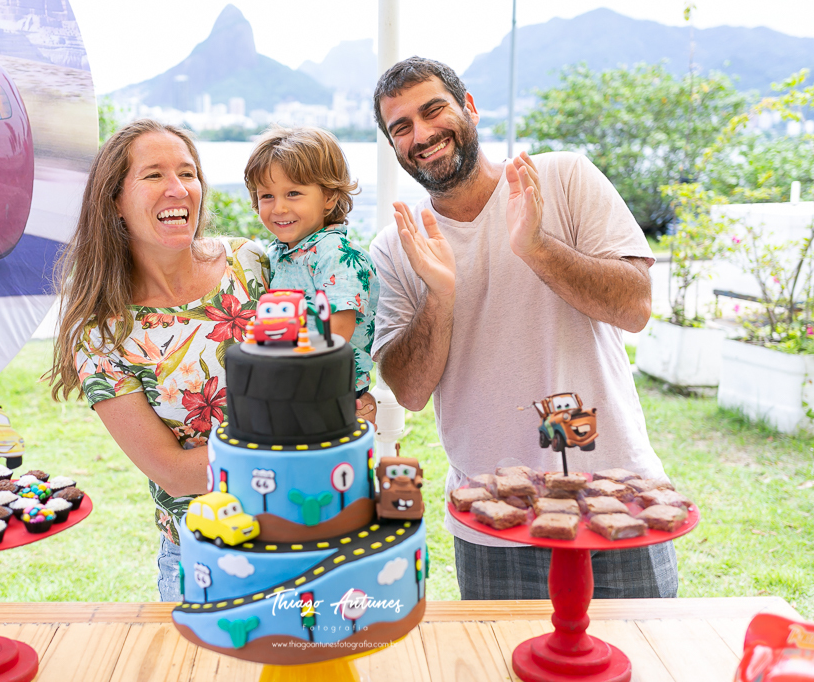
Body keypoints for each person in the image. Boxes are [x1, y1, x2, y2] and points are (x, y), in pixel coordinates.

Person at [370, 56, 677, 600]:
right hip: (491, 514)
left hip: (613, 490)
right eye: (401, 127)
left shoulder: (561, 179)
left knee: (638, 663)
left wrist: (537, 249)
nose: (421, 135)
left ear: (469, 108)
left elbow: (635, 307)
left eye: (433, 110)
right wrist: (440, 296)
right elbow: (411, 392)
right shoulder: (398, 244)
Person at [48, 119, 269, 602]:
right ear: (115, 201)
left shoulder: (251, 263)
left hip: (308, 529)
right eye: (153, 176)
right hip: (205, 560)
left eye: (187, 173)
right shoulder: (102, 333)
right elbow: (170, 470)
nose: (178, 189)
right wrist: (300, 451)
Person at [244, 125, 378, 421]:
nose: (278, 208)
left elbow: (337, 333)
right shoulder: (280, 251)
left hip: (326, 388)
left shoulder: (335, 254)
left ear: (329, 196)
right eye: (266, 196)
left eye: (293, 193)